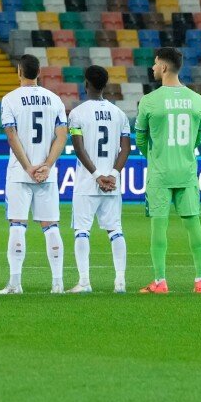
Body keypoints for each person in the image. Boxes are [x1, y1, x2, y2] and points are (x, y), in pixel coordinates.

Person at [136, 47, 201, 294]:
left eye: (156, 64)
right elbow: (198, 138)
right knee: (193, 225)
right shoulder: (197, 100)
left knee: (159, 226)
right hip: (187, 172)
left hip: (160, 173)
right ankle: (200, 280)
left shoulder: (149, 101)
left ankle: (160, 281)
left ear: (164, 67)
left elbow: (141, 140)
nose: (153, 68)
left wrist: (154, 157)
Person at [0, 53, 69, 294]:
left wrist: (28, 166)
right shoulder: (55, 100)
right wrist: (47, 164)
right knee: (51, 226)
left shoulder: (10, 99)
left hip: (21, 172)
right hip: (46, 174)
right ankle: (58, 282)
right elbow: (62, 136)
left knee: (17, 225)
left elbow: (11, 135)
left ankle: (15, 283)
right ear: (39, 72)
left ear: (19, 72)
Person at [66, 65, 132, 294]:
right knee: (115, 230)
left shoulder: (76, 114)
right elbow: (126, 148)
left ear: (86, 84)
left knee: (82, 231)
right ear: (105, 85)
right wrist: (112, 175)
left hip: (87, 183)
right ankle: (120, 281)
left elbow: (78, 148)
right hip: (112, 184)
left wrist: (96, 175)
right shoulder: (119, 114)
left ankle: (84, 282)